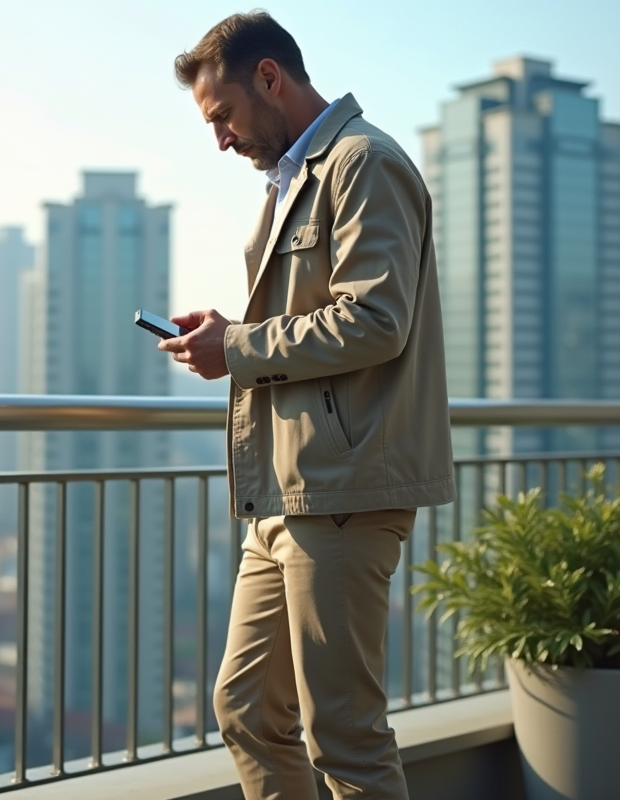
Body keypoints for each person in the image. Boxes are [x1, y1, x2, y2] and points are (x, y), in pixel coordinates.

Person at [159, 12, 456, 800]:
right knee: (247, 708)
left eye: (220, 114)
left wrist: (240, 346)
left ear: (269, 78)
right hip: (288, 494)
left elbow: (376, 320)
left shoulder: (364, 163)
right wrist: (230, 336)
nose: (217, 138)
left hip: (346, 491)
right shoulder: (294, 180)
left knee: (346, 737)